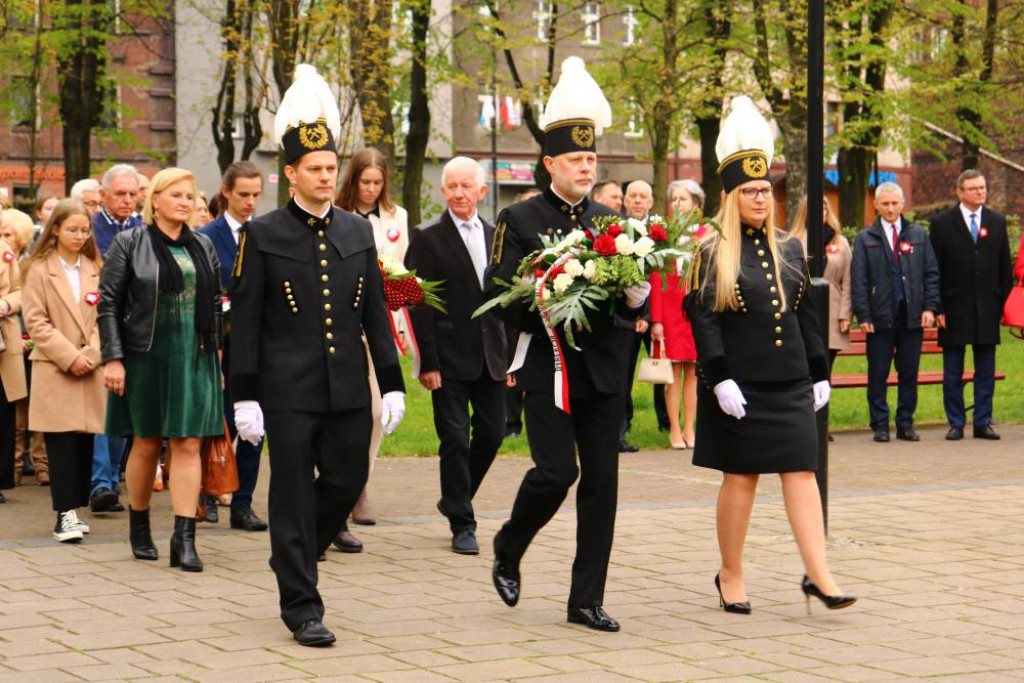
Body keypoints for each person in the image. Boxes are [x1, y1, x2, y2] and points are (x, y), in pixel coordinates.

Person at [228, 64, 406, 647]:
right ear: (291, 174)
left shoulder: (357, 231)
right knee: (291, 491)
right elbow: (246, 323)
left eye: (331, 168)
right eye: (315, 169)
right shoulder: (264, 234)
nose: (326, 177)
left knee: (348, 477)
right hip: (288, 389)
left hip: (347, 385)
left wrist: (393, 382)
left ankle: (295, 551)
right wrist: (245, 396)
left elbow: (375, 313)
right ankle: (301, 604)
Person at [486, 57, 650, 633]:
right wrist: (546, 296)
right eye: (575, 160)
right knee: (557, 473)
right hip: (546, 367)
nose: (585, 166)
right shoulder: (519, 217)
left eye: (591, 159)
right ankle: (509, 544)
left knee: (602, 485)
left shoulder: (614, 222)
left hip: (604, 368)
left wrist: (637, 299)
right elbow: (497, 291)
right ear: (550, 164)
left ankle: (585, 599)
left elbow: (635, 303)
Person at [685, 95, 855, 617]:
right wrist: (719, 379)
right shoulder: (710, 250)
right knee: (741, 478)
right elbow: (704, 320)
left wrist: (819, 373)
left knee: (802, 472)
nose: (761, 198)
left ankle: (820, 575)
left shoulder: (788, 247)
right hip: (740, 386)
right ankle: (730, 574)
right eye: (750, 191)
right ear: (730, 195)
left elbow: (804, 315)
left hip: (789, 383)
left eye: (765, 190)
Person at [98, 167, 224, 570]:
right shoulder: (130, 242)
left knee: (188, 442)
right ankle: (139, 525)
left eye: (189, 196)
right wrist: (113, 358)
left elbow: (215, 305)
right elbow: (108, 303)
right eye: (176, 195)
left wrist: (217, 357)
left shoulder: (203, 245)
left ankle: (183, 539)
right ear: (155, 200)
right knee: (147, 441)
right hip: (146, 353)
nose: (185, 202)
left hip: (195, 353)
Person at [405, 157, 507, 555]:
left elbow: (506, 297)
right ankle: (463, 523)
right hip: (447, 358)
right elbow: (418, 303)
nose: (459, 193)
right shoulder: (426, 237)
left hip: (492, 356)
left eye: (467, 186)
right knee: (454, 439)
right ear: (443, 190)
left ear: (482, 191)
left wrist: (511, 359)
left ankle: (454, 498)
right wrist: (427, 361)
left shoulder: (497, 235)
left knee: (492, 435)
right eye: (452, 186)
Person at [333, 147, 409, 537]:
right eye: (365, 182)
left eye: (378, 183)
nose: (371, 189)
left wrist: (401, 297)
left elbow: (401, 270)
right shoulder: (335, 214)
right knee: (345, 410)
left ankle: (361, 484)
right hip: (342, 324)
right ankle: (337, 483)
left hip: (380, 325)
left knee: (378, 412)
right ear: (353, 180)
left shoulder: (397, 217)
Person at [21, 199, 106, 543]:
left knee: (85, 440)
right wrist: (70, 356)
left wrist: (93, 353)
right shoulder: (38, 269)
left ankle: (75, 508)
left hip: (90, 365)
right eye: (72, 229)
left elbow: (105, 315)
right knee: (61, 442)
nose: (79, 236)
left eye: (84, 230)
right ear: (55, 229)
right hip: (56, 366)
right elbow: (36, 321)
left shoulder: (95, 266)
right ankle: (64, 513)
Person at [197, 160, 268, 532]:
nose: (250, 202)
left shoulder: (265, 234)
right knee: (217, 420)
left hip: (257, 347)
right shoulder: (206, 237)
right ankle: (206, 492)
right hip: (219, 346)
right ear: (226, 192)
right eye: (243, 194)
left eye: (256, 194)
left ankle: (243, 503)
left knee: (255, 425)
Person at [851, 182, 940, 442]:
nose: (890, 209)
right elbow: (859, 280)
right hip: (879, 317)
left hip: (912, 315)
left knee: (909, 372)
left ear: (903, 204)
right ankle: (880, 424)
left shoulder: (918, 234)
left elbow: (931, 273)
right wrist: (863, 315)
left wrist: (930, 307)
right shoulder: (865, 238)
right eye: (885, 204)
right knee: (878, 373)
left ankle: (905, 423)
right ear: (876, 205)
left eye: (894, 203)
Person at [928, 170, 1013, 440]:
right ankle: (956, 422)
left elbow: (1004, 268)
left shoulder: (996, 222)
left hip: (988, 307)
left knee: (985, 370)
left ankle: (982, 422)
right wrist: (938, 307)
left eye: (982, 187)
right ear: (960, 192)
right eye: (974, 188)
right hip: (953, 308)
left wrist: (1004, 306)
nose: (980, 192)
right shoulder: (942, 223)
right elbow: (934, 269)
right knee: (953, 371)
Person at [91, 164, 144, 513]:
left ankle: (112, 478)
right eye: (120, 194)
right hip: (98, 325)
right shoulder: (90, 230)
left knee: (124, 409)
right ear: (103, 195)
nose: (127, 200)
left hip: (136, 329)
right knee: (104, 406)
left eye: (132, 194)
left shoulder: (145, 229)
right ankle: (102, 482)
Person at [650, 179, 704, 449]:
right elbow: (655, 279)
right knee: (671, 372)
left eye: (683, 199)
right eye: (674, 199)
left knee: (693, 371)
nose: (677, 204)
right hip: (670, 310)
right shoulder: (662, 235)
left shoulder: (706, 233)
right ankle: (673, 427)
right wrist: (656, 320)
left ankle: (689, 428)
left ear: (696, 204)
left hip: (696, 310)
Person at [1, 210, 48, 486]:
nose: (4, 237)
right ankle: (17, 466)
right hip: (13, 341)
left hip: (13, 341)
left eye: (8, 233)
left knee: (16, 410)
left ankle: (13, 472)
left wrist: (6, 304)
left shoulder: (10, 257)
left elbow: (23, 293)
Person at [789, 196, 852, 371]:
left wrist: (845, 315)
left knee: (825, 368)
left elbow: (848, 280)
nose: (820, 213)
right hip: (803, 311)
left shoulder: (840, 242)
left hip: (832, 313)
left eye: (823, 208)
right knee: (806, 368)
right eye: (814, 209)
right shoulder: (793, 241)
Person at [618, 179, 658, 451]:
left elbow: (661, 279)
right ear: (625, 201)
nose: (638, 200)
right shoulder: (615, 232)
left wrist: (649, 315)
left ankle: (667, 424)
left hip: (655, 315)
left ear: (651, 202)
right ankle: (622, 427)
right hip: (625, 316)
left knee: (664, 370)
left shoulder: (661, 233)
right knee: (623, 372)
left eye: (643, 196)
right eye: (633, 196)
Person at [503, 187, 542, 441]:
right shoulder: (513, 239)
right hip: (515, 316)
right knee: (513, 370)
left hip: (543, 318)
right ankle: (512, 423)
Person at [0, 232, 28, 505]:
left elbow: (21, 290)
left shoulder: (4, 250)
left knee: (3, 410)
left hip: (3, 342)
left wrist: (6, 304)